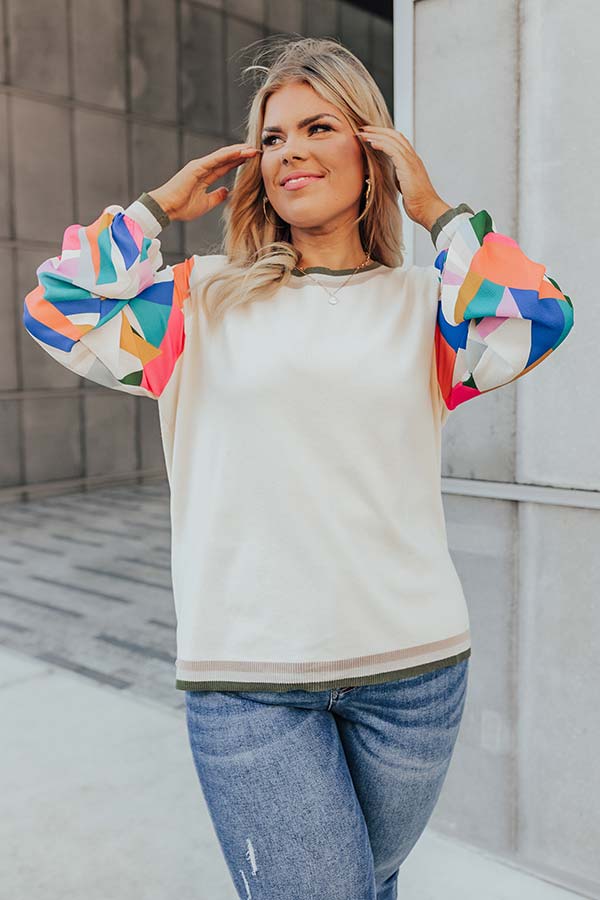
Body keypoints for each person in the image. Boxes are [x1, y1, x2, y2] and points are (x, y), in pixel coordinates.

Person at [22, 35, 574, 900]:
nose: (291, 152)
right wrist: (156, 208)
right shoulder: (196, 299)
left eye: (319, 127)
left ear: (372, 150)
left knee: (368, 887)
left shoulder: (427, 308)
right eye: (273, 137)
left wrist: (435, 210)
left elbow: (539, 317)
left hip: (415, 677)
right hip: (250, 685)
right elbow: (58, 305)